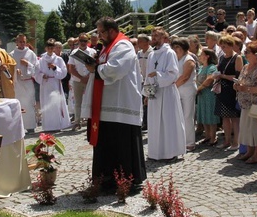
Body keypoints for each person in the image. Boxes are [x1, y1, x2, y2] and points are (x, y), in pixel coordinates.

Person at [83, 17, 146, 192]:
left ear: (112, 31)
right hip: (107, 105)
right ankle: (107, 179)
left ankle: (126, 180)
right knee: (107, 144)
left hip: (121, 105)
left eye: (101, 32)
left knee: (122, 144)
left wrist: (95, 69)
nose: (99, 36)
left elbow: (115, 70)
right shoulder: (107, 47)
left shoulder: (123, 46)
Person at [144, 27, 186, 161]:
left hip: (167, 92)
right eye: (152, 35)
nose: (153, 38)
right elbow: (147, 75)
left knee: (168, 122)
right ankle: (155, 153)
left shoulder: (169, 53)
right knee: (155, 122)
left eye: (156, 35)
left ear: (164, 38)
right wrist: (147, 94)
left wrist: (158, 75)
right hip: (155, 93)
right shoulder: (151, 54)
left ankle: (170, 153)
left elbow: (173, 74)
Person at [234, 41, 257, 164]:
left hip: (255, 104)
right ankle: (249, 151)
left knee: (255, 129)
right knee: (246, 128)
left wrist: (245, 89)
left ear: (255, 54)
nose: (245, 53)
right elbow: (241, 80)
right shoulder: (245, 66)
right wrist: (237, 85)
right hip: (244, 103)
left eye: (247, 52)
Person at [214, 35, 243, 150]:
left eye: (225, 46)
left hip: (232, 90)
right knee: (224, 117)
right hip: (222, 89)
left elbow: (238, 76)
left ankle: (236, 142)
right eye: (221, 47)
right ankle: (227, 141)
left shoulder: (237, 58)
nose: (223, 49)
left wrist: (223, 76)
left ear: (231, 46)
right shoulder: (222, 57)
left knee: (234, 118)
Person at [35, 38, 69, 132]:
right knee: (46, 103)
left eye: (51, 48)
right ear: (46, 48)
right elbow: (36, 72)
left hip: (55, 83)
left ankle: (57, 125)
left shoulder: (58, 59)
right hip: (45, 84)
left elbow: (64, 72)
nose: (50, 49)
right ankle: (48, 126)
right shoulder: (41, 60)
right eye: (48, 48)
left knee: (56, 103)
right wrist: (42, 76)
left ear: (54, 48)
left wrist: (55, 68)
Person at [172, 37, 197, 151]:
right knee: (179, 115)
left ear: (184, 48)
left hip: (187, 90)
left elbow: (185, 77)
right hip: (178, 89)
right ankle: (181, 140)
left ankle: (190, 142)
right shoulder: (177, 58)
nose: (175, 49)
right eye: (174, 47)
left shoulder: (189, 60)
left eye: (178, 47)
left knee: (187, 116)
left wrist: (173, 87)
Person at [68, 33, 97, 131]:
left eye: (85, 41)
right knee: (78, 102)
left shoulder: (92, 51)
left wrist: (88, 77)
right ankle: (77, 122)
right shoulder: (74, 52)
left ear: (88, 41)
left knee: (91, 101)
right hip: (77, 80)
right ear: (78, 41)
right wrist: (81, 78)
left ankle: (91, 121)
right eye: (81, 41)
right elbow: (71, 68)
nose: (83, 43)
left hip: (90, 79)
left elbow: (95, 66)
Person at [11, 34, 39, 133]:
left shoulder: (31, 53)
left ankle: (31, 126)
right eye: (20, 42)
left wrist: (27, 64)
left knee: (30, 103)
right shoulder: (12, 54)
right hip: (18, 83)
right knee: (20, 103)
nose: (22, 44)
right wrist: (15, 71)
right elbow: (9, 68)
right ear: (17, 42)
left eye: (24, 42)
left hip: (28, 82)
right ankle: (20, 127)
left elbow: (37, 67)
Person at [195, 49, 220, 145]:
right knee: (203, 114)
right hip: (201, 94)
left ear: (207, 56)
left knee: (210, 115)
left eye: (201, 54)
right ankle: (207, 135)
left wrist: (199, 88)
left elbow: (209, 79)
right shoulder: (201, 67)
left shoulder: (212, 67)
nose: (200, 56)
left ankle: (213, 137)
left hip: (209, 93)